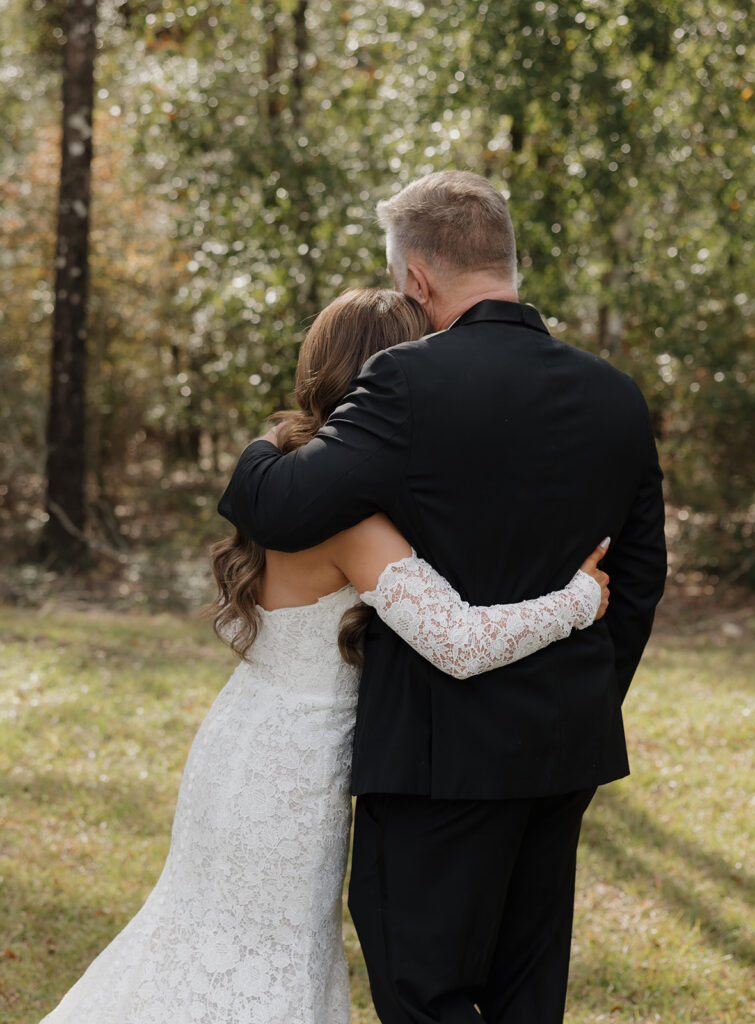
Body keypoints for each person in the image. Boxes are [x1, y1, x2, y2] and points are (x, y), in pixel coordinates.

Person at [39, 288, 612, 1024]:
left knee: (209, 941)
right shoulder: (353, 521)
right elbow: (459, 643)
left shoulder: (288, 468)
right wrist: (574, 602)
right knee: (262, 959)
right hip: (289, 773)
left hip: (244, 735)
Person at [218, 171, 667, 1022]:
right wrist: (580, 695)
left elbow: (276, 505)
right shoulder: (615, 394)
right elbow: (639, 572)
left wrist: (269, 441)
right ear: (506, 260)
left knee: (424, 992)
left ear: (416, 280)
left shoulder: (404, 383)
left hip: (437, 765)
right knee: (525, 998)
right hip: (562, 749)